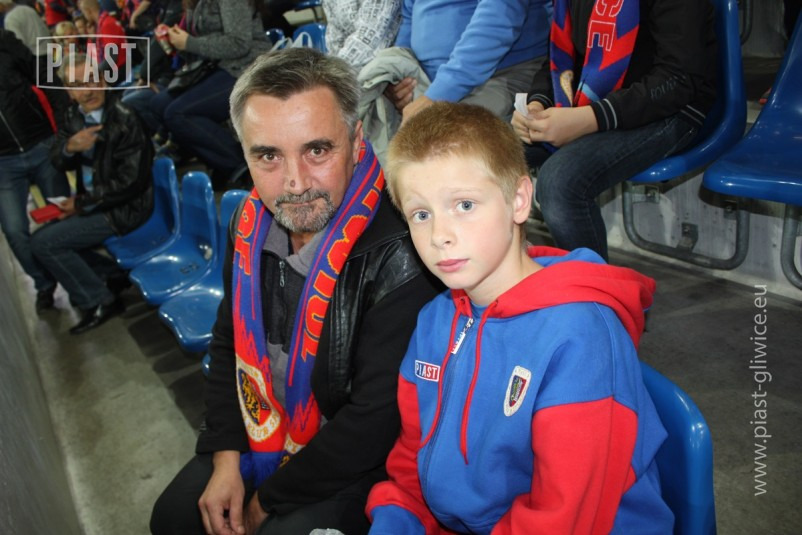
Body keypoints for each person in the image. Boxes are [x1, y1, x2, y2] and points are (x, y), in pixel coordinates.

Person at [150, 47, 442, 535]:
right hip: (264, 429)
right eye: (268, 155)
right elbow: (228, 343)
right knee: (173, 519)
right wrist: (225, 456)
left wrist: (266, 501)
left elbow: (373, 421)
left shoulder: (403, 251)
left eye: (317, 150)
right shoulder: (247, 224)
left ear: (357, 140)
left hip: (361, 462)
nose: (295, 182)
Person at [365, 102, 673, 533]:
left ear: (519, 200)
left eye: (464, 205)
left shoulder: (579, 338)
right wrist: (395, 521)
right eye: (421, 214)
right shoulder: (434, 320)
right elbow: (411, 463)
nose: (439, 235)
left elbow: (563, 518)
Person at [511, 0, 717, 261]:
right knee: (487, 148)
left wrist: (590, 119)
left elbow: (679, 79)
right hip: (591, 101)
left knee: (559, 183)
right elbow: (562, 55)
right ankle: (497, 271)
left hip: (671, 109)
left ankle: (589, 286)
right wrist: (537, 104)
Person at [31, 52, 154, 334]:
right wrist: (69, 148)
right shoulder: (73, 116)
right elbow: (57, 158)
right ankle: (112, 275)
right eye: (77, 85)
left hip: (125, 207)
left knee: (44, 243)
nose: (87, 91)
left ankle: (100, 300)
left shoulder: (125, 117)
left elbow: (130, 183)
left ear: (103, 80)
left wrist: (81, 204)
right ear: (69, 92)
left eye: (91, 80)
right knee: (41, 237)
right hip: (97, 202)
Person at [150, 0, 270, 189]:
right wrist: (178, 43)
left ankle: (244, 167)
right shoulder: (196, 3)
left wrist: (189, 43)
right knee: (159, 104)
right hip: (215, 67)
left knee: (178, 114)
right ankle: (216, 162)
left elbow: (239, 43)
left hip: (245, 68)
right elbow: (202, 45)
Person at [382, 0, 551, 123]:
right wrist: (402, 79)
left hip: (499, 74)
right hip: (429, 81)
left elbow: (497, 21)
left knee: (443, 139)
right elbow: (409, 15)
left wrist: (438, 95)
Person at [0, 28, 72, 313]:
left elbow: (44, 72)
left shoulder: (4, 41)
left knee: (61, 217)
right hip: (4, 163)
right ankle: (44, 284)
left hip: (42, 145)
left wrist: (64, 121)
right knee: (14, 230)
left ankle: (81, 276)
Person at [324, 0, 402, 71]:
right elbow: (335, 34)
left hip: (384, 60)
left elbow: (369, 38)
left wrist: (333, 70)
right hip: (345, 66)